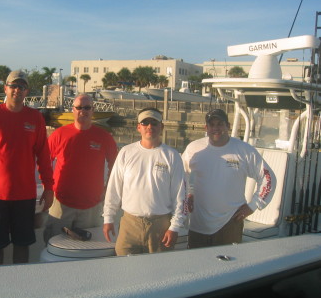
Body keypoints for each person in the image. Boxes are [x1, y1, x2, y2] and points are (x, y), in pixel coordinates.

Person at [0, 70, 54, 265]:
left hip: (25, 196)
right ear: (5, 88)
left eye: (22, 87)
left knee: (22, 245)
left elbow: (43, 157)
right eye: (13, 86)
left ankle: (19, 288)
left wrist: (49, 188)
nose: (17, 90)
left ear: (27, 91)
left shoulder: (36, 118)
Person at [182, 108, 275, 249]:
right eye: (211, 124)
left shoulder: (244, 150)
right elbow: (181, 176)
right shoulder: (193, 149)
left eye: (220, 124)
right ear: (206, 127)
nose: (216, 128)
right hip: (198, 223)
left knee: (228, 266)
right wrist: (189, 192)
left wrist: (253, 205)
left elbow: (268, 178)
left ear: (228, 126)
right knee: (197, 267)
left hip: (230, 222)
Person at [103, 107, 187, 255]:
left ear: (161, 126)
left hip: (160, 226)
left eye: (154, 123)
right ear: (138, 127)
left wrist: (174, 227)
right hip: (129, 225)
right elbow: (114, 188)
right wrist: (108, 218)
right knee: (124, 269)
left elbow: (180, 196)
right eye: (145, 123)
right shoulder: (126, 153)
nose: (150, 127)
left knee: (159, 274)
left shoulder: (172, 156)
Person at [43, 94, 118, 243]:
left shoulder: (104, 137)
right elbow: (44, 162)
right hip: (61, 204)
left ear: (92, 110)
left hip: (91, 207)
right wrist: (48, 188)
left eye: (87, 107)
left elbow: (115, 167)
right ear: (73, 110)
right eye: (79, 107)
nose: (82, 111)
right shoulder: (59, 134)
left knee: (86, 248)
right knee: (53, 244)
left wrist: (107, 188)